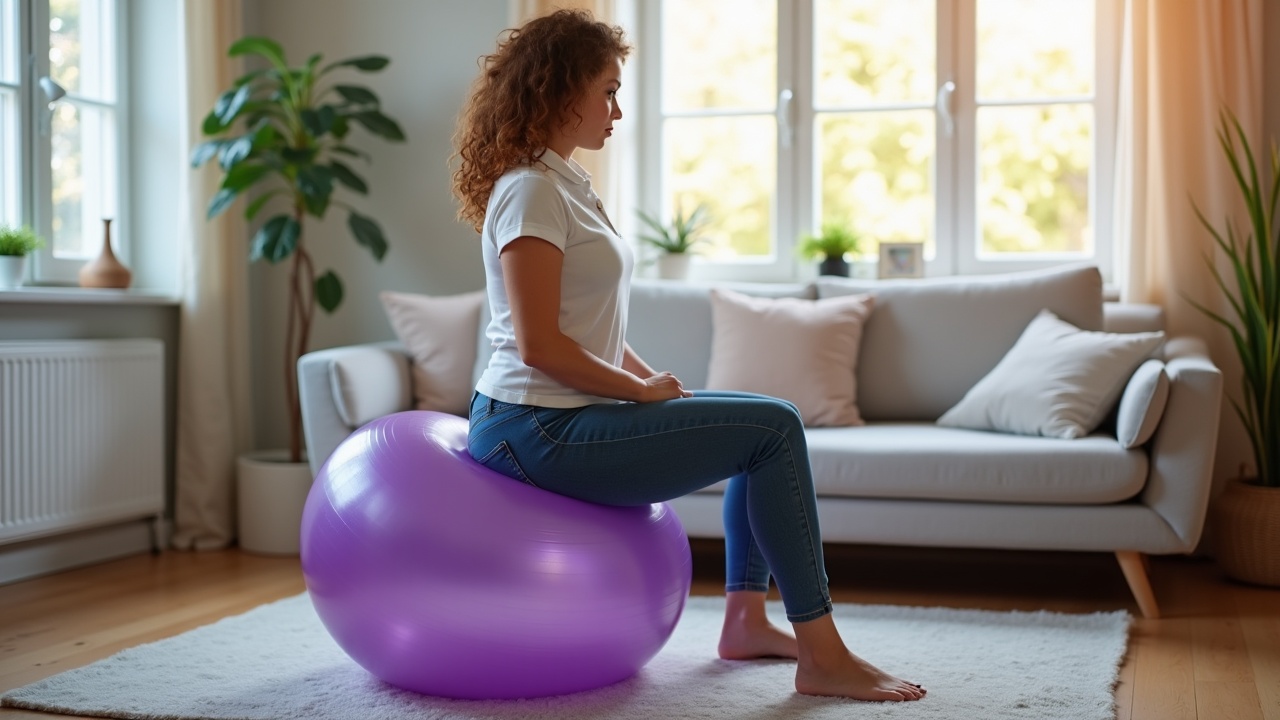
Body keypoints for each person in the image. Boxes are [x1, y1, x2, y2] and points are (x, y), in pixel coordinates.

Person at [451, 9, 925, 703]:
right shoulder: (530, 191)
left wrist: (649, 381)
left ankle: (745, 620)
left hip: (558, 416)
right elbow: (539, 345)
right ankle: (821, 654)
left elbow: (587, 327)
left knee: (753, 430)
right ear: (560, 91)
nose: (617, 109)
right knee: (774, 427)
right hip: (532, 427)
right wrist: (637, 394)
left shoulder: (566, 184)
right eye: (607, 90)